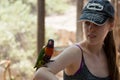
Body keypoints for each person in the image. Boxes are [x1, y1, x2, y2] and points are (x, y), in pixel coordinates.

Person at [33, 0, 119, 80]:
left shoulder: (109, 52)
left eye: (97, 24)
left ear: (111, 25)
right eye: (87, 23)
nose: (90, 29)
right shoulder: (76, 52)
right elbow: (40, 73)